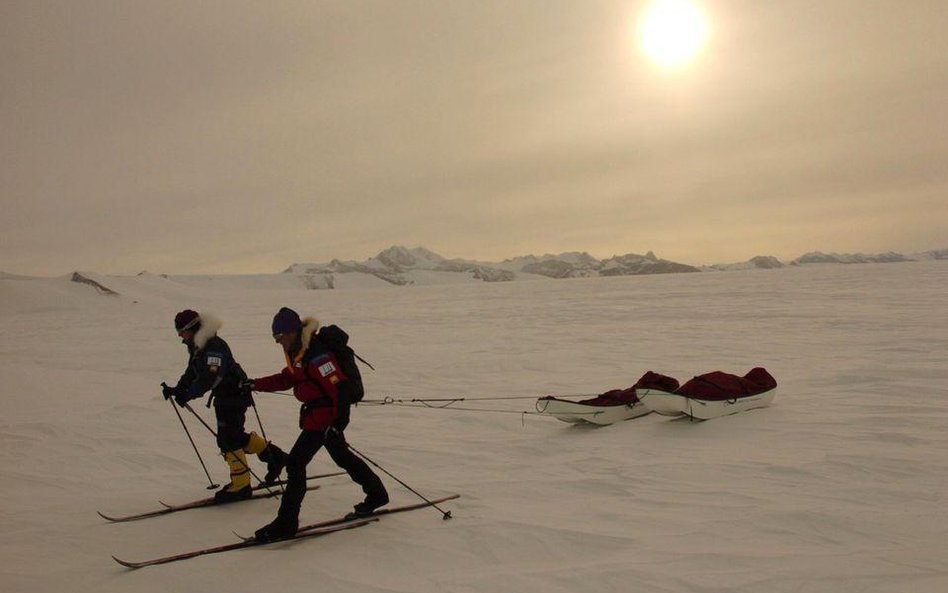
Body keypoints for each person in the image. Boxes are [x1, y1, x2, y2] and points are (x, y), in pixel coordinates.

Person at [249, 307, 388, 542]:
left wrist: (338, 424)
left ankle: (286, 523)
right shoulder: (298, 352)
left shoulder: (318, 355)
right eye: (275, 338)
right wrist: (255, 384)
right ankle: (377, 494)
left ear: (292, 332)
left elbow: (340, 388)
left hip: (325, 418)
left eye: (279, 337)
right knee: (342, 456)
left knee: (295, 464)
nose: (278, 342)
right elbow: (288, 377)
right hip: (317, 416)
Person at [162, 309, 287, 503]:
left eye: (181, 331)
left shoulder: (213, 346)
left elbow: (211, 376)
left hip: (233, 394)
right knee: (234, 435)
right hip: (226, 395)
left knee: (228, 439)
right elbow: (193, 371)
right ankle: (275, 457)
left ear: (191, 328)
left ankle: (241, 486)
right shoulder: (199, 345)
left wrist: (188, 394)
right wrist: (178, 389)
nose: (179, 335)